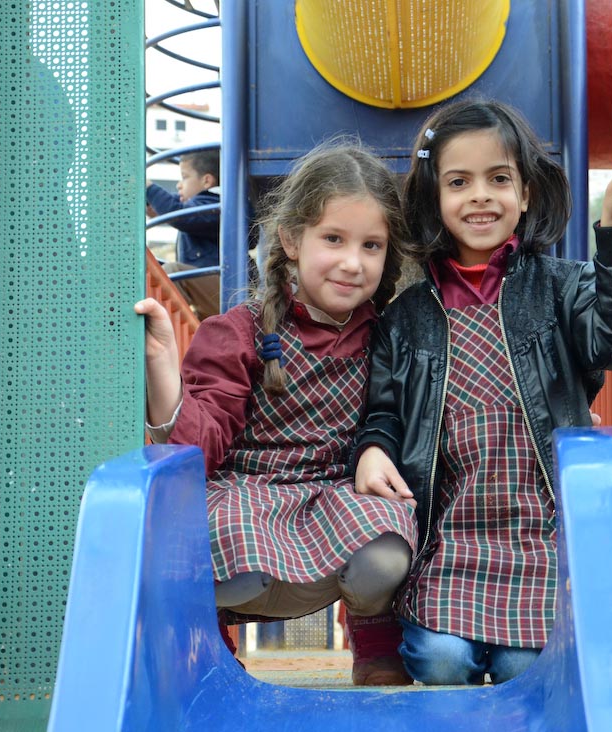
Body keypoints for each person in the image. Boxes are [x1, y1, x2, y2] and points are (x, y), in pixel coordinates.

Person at [353, 98, 612, 686]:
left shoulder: (561, 287)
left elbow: (610, 342)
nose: (480, 195)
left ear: (526, 193)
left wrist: (611, 237)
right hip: (452, 537)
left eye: (499, 179)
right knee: (442, 659)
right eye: (459, 182)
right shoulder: (407, 317)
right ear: (435, 198)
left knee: (522, 669)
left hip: (539, 535)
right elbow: (382, 411)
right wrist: (373, 447)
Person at [135, 141, 419, 685]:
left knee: (387, 540)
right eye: (333, 239)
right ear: (291, 239)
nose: (352, 262)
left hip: (333, 496)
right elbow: (202, 442)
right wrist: (164, 375)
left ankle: (373, 631)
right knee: (227, 539)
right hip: (251, 494)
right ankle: (210, 648)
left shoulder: (387, 336)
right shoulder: (241, 331)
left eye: (372, 245)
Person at [146, 148, 223, 318]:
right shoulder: (201, 208)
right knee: (160, 271)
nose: (179, 184)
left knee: (173, 272)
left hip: (226, 289)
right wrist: (154, 205)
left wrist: (149, 188)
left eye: (185, 177)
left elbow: (181, 215)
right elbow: (175, 207)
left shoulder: (216, 206)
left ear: (207, 181)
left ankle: (159, 322)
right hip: (211, 290)